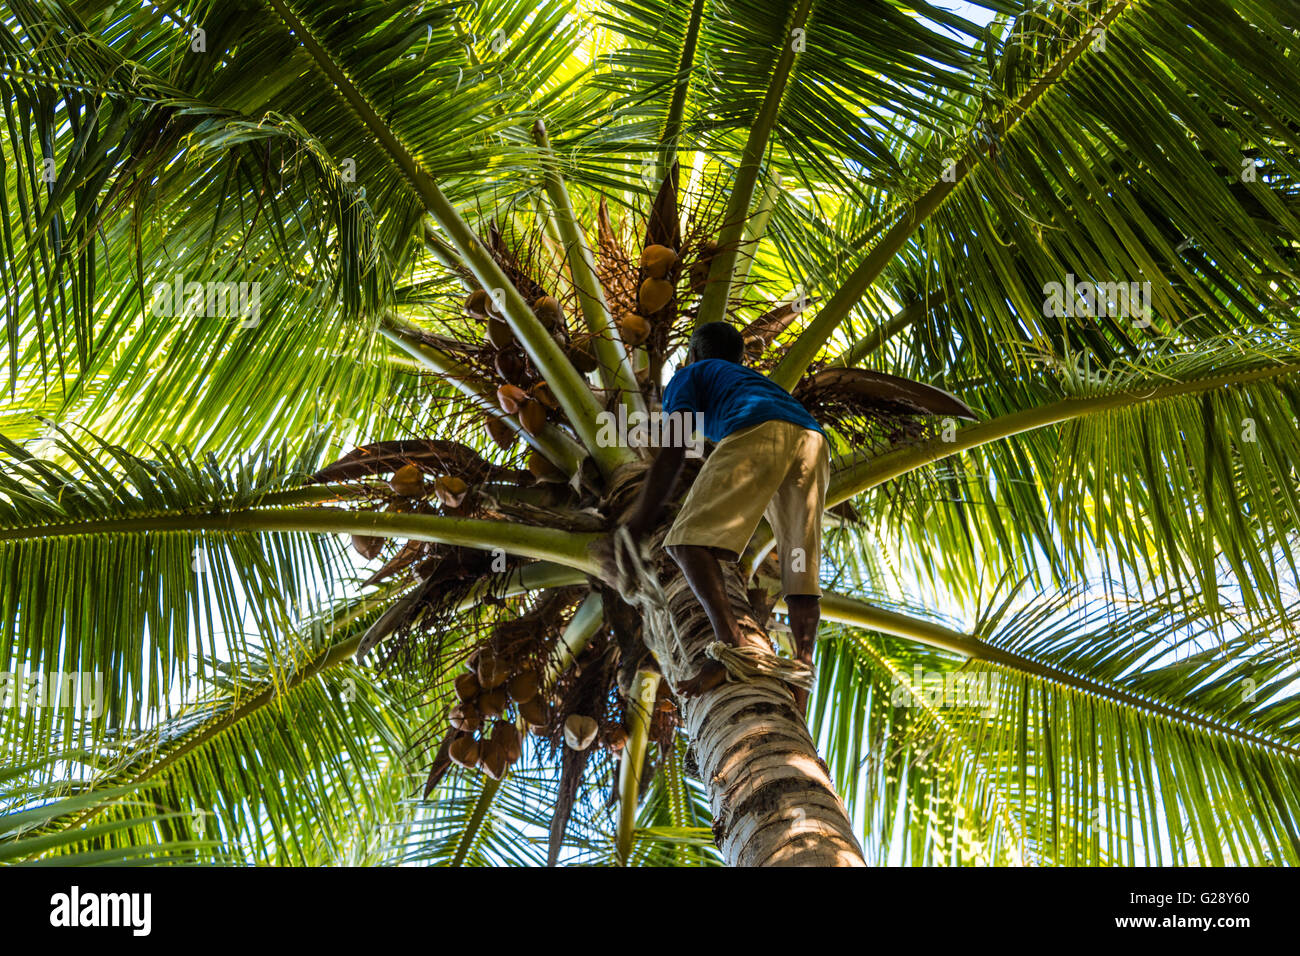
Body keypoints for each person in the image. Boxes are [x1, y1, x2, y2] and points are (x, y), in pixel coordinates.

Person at [621, 321, 829, 710]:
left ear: (694, 354)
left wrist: (640, 517)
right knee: (799, 575)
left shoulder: (691, 374)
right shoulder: (751, 381)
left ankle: (732, 650)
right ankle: (802, 674)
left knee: (686, 542)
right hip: (813, 442)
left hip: (759, 430)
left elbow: (674, 448)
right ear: (740, 358)